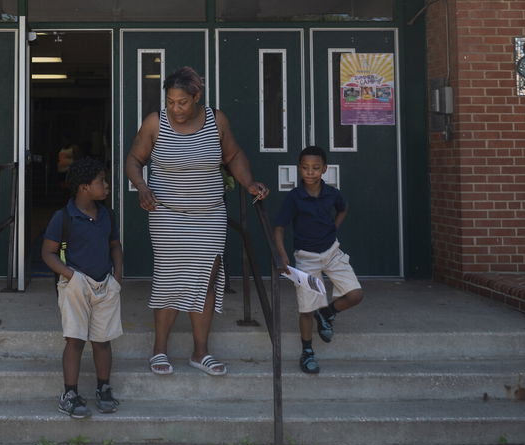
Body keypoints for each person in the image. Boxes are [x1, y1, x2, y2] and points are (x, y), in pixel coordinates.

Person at [124, 66, 269, 378]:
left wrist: (249, 183)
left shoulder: (217, 120)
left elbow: (232, 156)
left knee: (207, 280)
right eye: (171, 102)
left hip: (209, 215)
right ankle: (159, 349)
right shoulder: (155, 123)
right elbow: (134, 160)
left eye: (182, 103)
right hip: (167, 214)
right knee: (169, 276)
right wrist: (142, 187)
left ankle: (200, 352)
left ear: (197, 97)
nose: (175, 109)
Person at [41, 156, 124, 418]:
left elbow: (114, 246)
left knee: (102, 340)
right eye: (102, 181)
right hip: (75, 283)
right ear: (84, 187)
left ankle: (103, 388)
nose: (107, 185)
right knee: (75, 339)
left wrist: (117, 277)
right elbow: (48, 253)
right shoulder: (63, 217)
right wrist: (72, 276)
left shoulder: (106, 214)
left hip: (104, 283)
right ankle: (70, 394)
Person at [272, 145, 364, 375]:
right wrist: (283, 257)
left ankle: (327, 312)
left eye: (315, 168)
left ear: (324, 169)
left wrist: (334, 227)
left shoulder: (332, 194)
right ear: (299, 169)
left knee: (355, 295)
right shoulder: (294, 198)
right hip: (306, 259)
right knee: (306, 308)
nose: (310, 172)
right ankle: (307, 352)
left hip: (332, 253)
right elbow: (279, 227)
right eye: (305, 168)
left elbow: (344, 208)